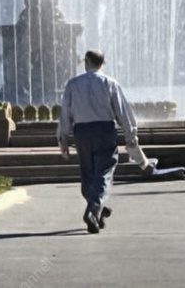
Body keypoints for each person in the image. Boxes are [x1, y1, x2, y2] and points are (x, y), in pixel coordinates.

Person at [57, 49, 148, 234]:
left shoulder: (73, 84)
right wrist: (131, 137)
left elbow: (65, 112)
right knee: (104, 173)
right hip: (104, 130)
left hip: (82, 132)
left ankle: (97, 209)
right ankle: (93, 211)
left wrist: (63, 138)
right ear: (102, 63)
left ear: (87, 62)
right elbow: (123, 112)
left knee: (88, 174)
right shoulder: (110, 83)